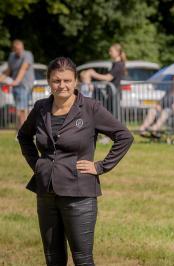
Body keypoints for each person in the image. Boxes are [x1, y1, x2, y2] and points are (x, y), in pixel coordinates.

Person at [17, 57, 133, 266]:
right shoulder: (41, 108)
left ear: (76, 81)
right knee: (53, 258)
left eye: (67, 80)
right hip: (46, 193)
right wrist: (37, 164)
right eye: (56, 80)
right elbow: (24, 136)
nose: (62, 85)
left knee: (82, 259)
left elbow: (124, 136)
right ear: (49, 81)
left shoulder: (91, 108)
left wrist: (100, 166)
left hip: (80, 194)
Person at [0, 39, 35, 131]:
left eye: (21, 49)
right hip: (16, 85)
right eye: (17, 49)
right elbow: (8, 71)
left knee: (21, 109)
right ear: (13, 49)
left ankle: (23, 131)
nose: (19, 51)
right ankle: (22, 130)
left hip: (25, 85)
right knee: (20, 109)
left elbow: (23, 69)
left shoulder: (27, 55)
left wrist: (16, 81)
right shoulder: (12, 56)